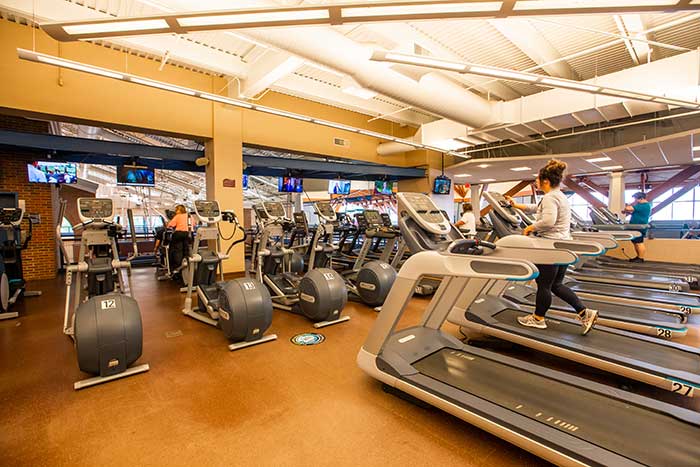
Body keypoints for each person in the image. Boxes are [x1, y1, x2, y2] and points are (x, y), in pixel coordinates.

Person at [506, 159, 598, 335]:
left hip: (550, 248)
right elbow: (537, 208)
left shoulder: (550, 197)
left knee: (544, 285)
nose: (536, 181)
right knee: (556, 285)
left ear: (546, 181)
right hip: (562, 246)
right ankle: (584, 312)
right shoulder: (558, 195)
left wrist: (531, 227)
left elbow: (548, 221)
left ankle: (538, 319)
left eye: (537, 179)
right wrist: (516, 205)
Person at [623, 191, 651, 262]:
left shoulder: (644, 205)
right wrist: (627, 211)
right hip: (635, 226)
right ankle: (638, 257)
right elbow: (634, 212)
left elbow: (628, 208)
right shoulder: (640, 205)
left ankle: (640, 258)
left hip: (639, 227)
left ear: (641, 198)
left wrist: (627, 206)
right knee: (635, 242)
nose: (635, 200)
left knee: (639, 242)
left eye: (636, 199)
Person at [167, 205, 190, 281]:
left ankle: (176, 273)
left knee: (175, 252)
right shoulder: (189, 216)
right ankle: (186, 272)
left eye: (176, 210)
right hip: (188, 235)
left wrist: (169, 224)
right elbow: (194, 224)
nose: (175, 211)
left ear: (179, 210)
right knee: (186, 253)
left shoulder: (178, 216)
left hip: (178, 235)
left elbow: (170, 225)